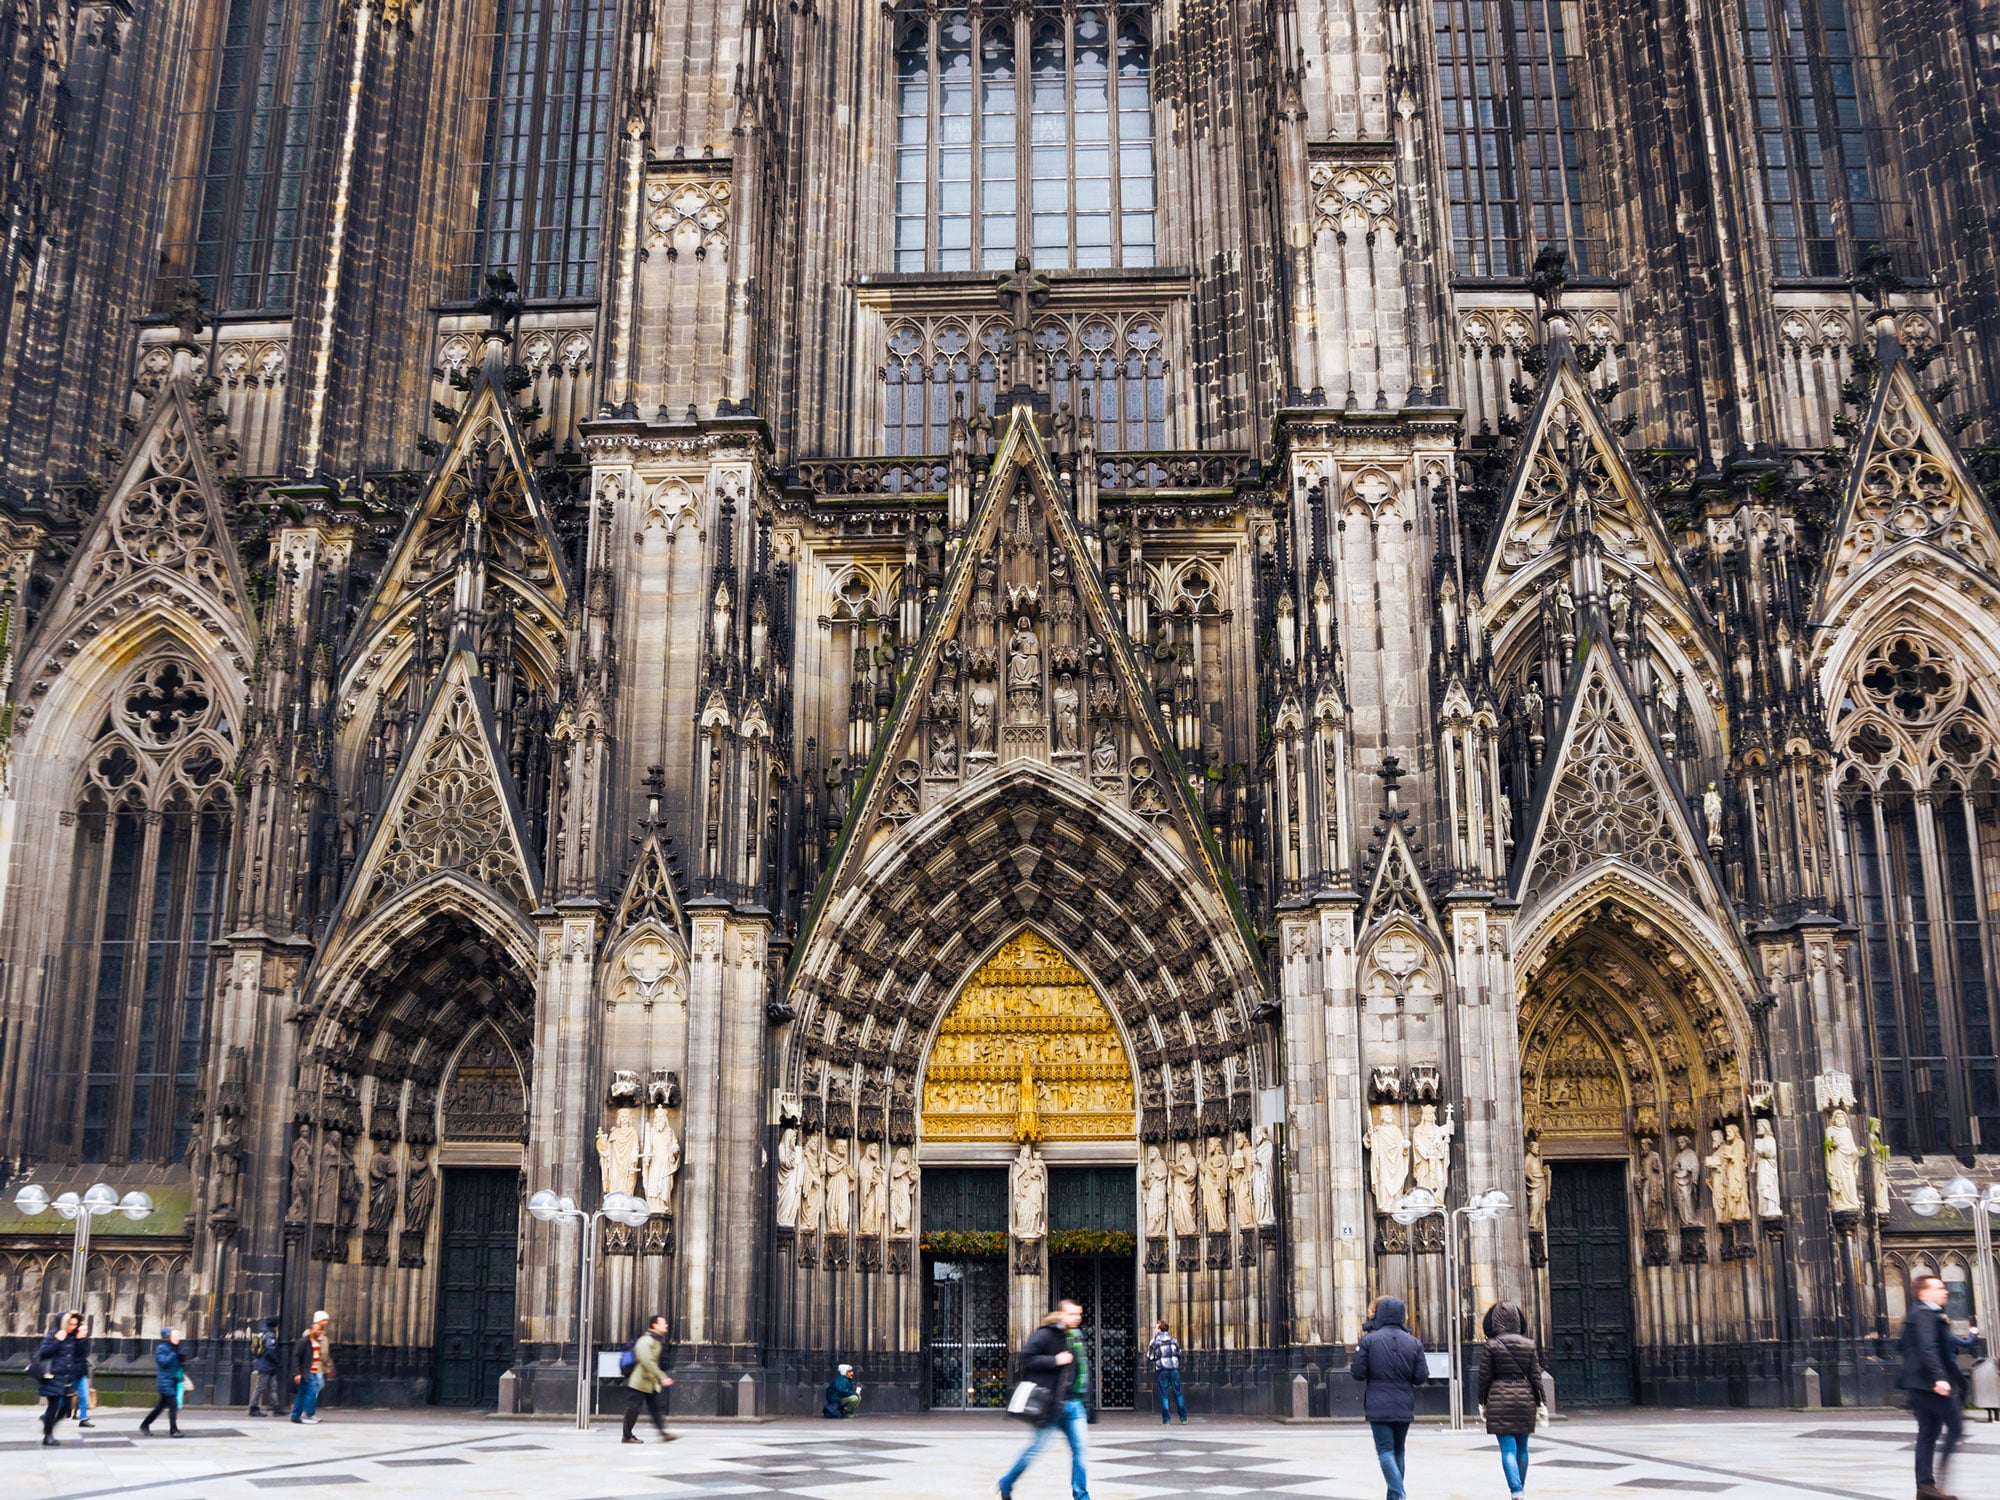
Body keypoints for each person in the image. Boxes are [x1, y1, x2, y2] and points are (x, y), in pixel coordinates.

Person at [996, 1300, 1091, 1500]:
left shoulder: (1076, 1337)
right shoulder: (1046, 1334)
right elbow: (1026, 1358)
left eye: (1079, 1314)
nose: (1077, 1318)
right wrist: (1055, 1360)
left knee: (1080, 1450)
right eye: (1073, 1314)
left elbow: (1081, 1372)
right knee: (1035, 1449)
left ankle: (1081, 1496)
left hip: (1074, 1405)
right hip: (1051, 1405)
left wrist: (1085, 1400)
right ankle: (1006, 1482)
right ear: (1061, 1314)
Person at [1350, 1295, 1428, 1500]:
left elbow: (1358, 1373)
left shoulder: (1369, 1340)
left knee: (1385, 1451)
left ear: (1381, 1315)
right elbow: (1421, 1377)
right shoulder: (1414, 1343)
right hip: (1404, 1403)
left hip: (1378, 1404)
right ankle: (1394, 1497)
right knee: (1399, 1452)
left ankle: (1400, 1494)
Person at [1899, 1273, 1964, 1500]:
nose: (1945, 1291)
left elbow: (1906, 1347)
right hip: (1929, 1384)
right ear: (1923, 1292)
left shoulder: (1918, 1314)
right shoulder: (1924, 1314)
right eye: (1939, 1288)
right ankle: (1937, 1483)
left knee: (1928, 1433)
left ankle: (1926, 1487)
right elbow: (1928, 1348)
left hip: (1918, 1384)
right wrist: (1939, 1378)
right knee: (1955, 1428)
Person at [1478, 1302, 1543, 1500]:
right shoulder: (1529, 1344)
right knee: (1522, 1448)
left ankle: (1516, 1491)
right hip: (1525, 1399)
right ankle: (1519, 1490)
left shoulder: (1491, 1345)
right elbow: (1536, 1377)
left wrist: (1482, 1401)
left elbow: (1484, 1377)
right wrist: (1541, 1401)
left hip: (1499, 1398)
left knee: (1508, 1449)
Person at [32, 1310, 87, 1447]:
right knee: (53, 1406)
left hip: (68, 1377)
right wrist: (57, 1340)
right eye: (70, 1324)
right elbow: (43, 1353)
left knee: (66, 1407)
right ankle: (48, 1435)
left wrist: (82, 1339)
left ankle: (49, 1427)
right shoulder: (53, 1334)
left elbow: (82, 1355)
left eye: (75, 1324)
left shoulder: (75, 1336)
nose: (72, 1327)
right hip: (53, 1376)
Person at [621, 1314, 676, 1443]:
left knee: (656, 1409)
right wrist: (662, 1376)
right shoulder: (646, 1340)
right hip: (639, 1382)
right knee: (633, 1409)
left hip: (649, 1382)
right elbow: (647, 1360)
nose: (666, 1325)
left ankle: (663, 1433)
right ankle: (627, 1436)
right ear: (655, 1325)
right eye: (663, 1323)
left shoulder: (656, 1340)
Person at [140, 1327, 186, 1437]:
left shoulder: (176, 1348)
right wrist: (173, 1353)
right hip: (165, 1382)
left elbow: (179, 1365)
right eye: (175, 1336)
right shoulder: (161, 1348)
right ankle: (173, 1430)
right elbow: (163, 1362)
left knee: (160, 1407)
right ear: (168, 1337)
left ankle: (145, 1425)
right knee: (173, 1406)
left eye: (178, 1336)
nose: (178, 1338)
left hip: (173, 1381)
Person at [290, 1310, 333, 1423]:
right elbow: (296, 1356)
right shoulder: (305, 1341)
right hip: (307, 1371)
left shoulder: (319, 1340)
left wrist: (328, 1367)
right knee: (311, 1392)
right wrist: (297, 1373)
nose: (321, 1331)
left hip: (314, 1371)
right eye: (318, 1329)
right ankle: (309, 1413)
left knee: (304, 1393)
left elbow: (323, 1355)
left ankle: (295, 1415)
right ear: (312, 1329)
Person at [1146, 1320, 1187, 1424]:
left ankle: (1166, 1420)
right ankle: (1183, 1418)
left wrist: (1158, 1357)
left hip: (1162, 1370)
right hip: (1174, 1369)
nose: (1155, 1329)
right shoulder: (1174, 1340)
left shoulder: (1154, 1341)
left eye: (1156, 1327)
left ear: (1159, 1329)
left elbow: (1150, 1357)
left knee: (1164, 1395)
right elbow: (1179, 1354)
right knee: (1178, 1393)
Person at [248, 1316, 283, 1416]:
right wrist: (276, 1360)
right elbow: (270, 1350)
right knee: (261, 1387)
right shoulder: (270, 1335)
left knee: (273, 1386)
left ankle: (276, 1408)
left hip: (267, 1364)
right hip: (267, 1365)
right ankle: (253, 1408)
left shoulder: (264, 1332)